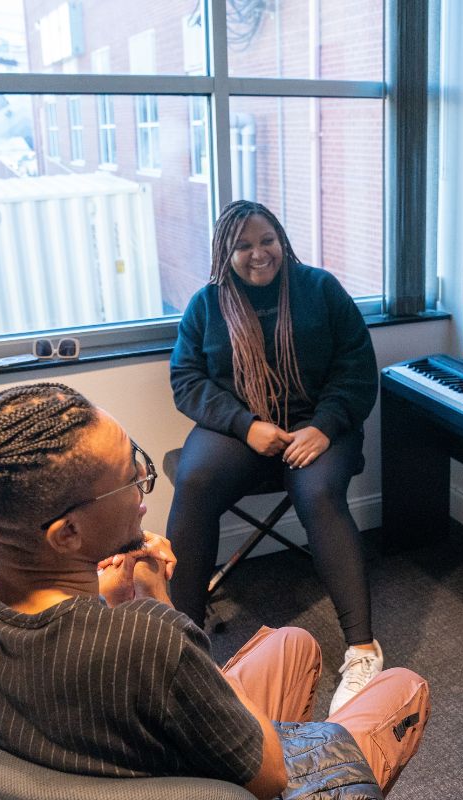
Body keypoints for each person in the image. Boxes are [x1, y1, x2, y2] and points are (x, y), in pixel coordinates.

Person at [0, 383, 428, 800]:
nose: (143, 494)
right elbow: (269, 776)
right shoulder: (152, 639)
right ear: (67, 535)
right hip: (219, 777)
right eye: (132, 479)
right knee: (403, 686)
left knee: (294, 643)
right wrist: (156, 601)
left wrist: (97, 602)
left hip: (95, 751)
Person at [168, 200, 381, 714]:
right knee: (194, 481)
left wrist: (324, 427)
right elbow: (187, 379)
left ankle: (363, 649)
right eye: (243, 246)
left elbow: (356, 369)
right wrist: (247, 425)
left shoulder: (320, 289)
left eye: (267, 241)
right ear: (226, 253)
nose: (258, 253)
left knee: (318, 493)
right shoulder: (206, 304)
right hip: (246, 428)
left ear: (282, 240)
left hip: (320, 427)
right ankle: (181, 646)